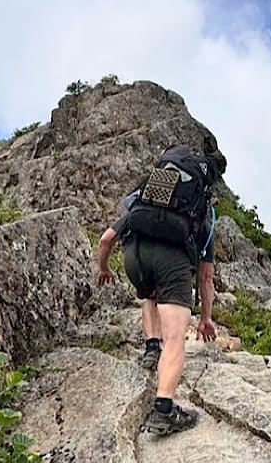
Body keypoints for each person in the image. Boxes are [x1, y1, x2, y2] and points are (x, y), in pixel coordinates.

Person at [96, 144, 224, 435]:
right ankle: (164, 410)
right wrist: (206, 318)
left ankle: (152, 348)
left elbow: (106, 239)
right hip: (172, 263)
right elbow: (206, 278)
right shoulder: (200, 220)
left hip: (135, 260)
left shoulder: (143, 203)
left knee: (150, 294)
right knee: (176, 337)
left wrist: (103, 269)